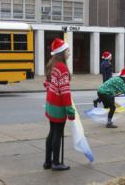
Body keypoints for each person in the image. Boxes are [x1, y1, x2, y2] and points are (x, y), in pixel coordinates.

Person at [43, 38, 75, 171]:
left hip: (51, 104)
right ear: (62, 53)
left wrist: (49, 86)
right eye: (67, 51)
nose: (69, 53)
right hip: (59, 106)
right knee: (58, 133)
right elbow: (65, 92)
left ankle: (48, 162)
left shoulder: (53, 64)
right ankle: (56, 162)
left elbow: (50, 83)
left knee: (52, 132)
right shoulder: (62, 68)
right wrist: (70, 110)